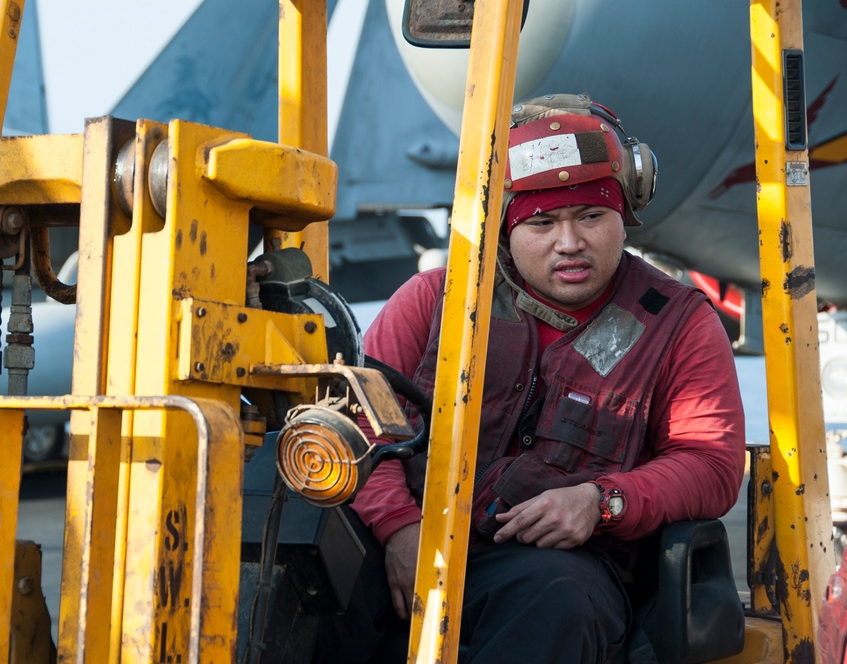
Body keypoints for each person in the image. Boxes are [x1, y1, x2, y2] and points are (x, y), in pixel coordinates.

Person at [312, 93, 746, 663]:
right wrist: (398, 528)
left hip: (564, 567)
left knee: (558, 599)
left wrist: (602, 500)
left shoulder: (678, 322)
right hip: (405, 540)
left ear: (626, 213)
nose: (570, 243)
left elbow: (710, 464)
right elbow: (351, 421)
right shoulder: (436, 300)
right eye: (542, 222)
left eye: (591, 216)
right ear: (504, 227)